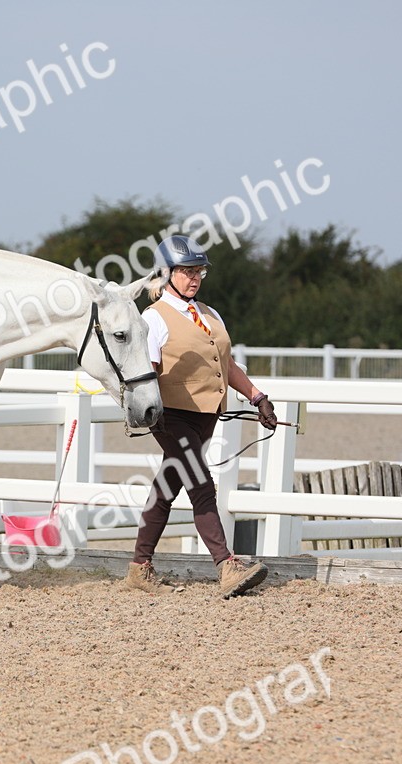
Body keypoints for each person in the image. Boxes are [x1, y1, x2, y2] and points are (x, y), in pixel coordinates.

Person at [121, 235, 277, 598]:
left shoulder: (210, 314)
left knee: (167, 486)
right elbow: (148, 371)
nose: (194, 278)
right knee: (201, 485)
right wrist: (151, 414)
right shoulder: (153, 318)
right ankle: (226, 565)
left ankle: (140, 567)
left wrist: (257, 397)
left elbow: (227, 364)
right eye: (187, 271)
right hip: (171, 416)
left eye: (199, 272)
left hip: (206, 416)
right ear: (167, 274)